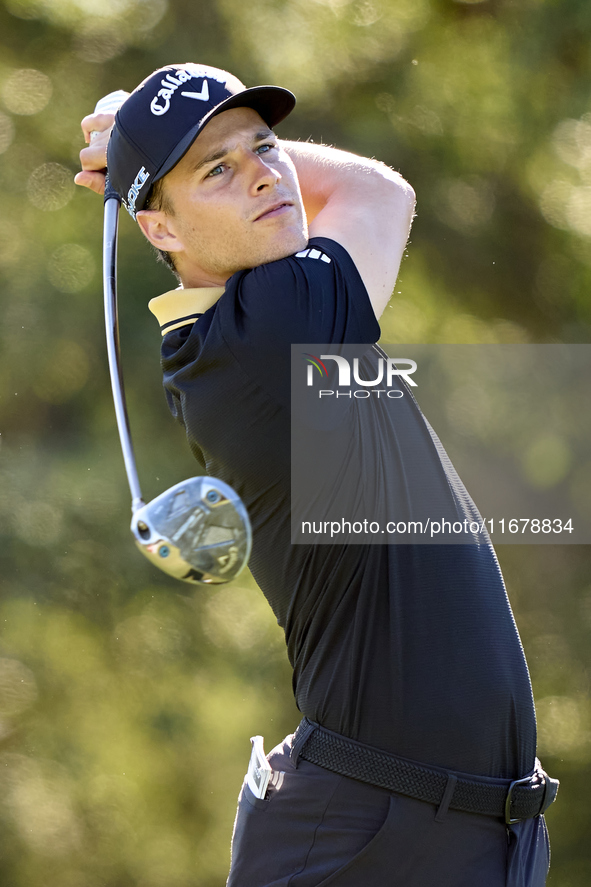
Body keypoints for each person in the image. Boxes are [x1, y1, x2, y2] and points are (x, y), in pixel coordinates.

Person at [76, 63, 557, 887]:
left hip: (441, 830)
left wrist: (156, 152)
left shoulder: (241, 333)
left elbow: (365, 198)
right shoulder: (273, 329)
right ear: (160, 230)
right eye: (217, 171)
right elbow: (376, 193)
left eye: (264, 147)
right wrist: (135, 144)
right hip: (372, 837)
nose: (266, 173)